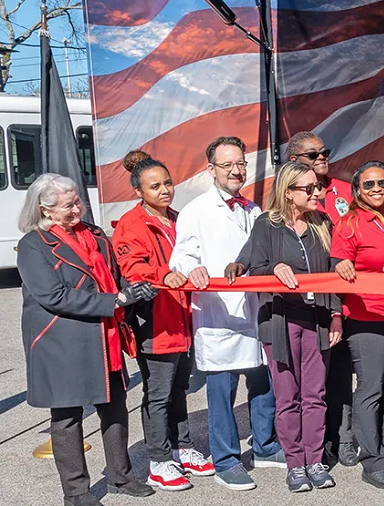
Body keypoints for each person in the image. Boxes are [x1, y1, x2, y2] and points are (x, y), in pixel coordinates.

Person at [17, 173, 158, 506]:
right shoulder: (32, 244)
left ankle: (120, 478)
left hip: (103, 335)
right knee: (67, 419)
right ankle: (77, 494)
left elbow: (116, 274)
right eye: (68, 205)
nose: (77, 209)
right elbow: (54, 296)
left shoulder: (94, 234)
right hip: (61, 343)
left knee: (115, 409)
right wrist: (116, 301)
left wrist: (137, 288)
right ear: (45, 209)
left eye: (77, 201)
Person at [169, 136, 285, 491]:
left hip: (256, 311)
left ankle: (265, 446)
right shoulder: (196, 211)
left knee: (263, 384)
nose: (236, 171)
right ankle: (226, 459)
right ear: (211, 170)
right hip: (219, 313)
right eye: (228, 165)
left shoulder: (253, 210)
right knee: (222, 390)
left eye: (241, 164)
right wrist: (193, 270)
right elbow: (182, 256)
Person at [234, 161, 342, 492]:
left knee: (316, 395)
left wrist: (336, 313)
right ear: (288, 192)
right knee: (287, 396)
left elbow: (336, 271)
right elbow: (253, 267)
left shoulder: (323, 223)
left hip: (317, 319)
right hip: (280, 321)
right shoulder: (267, 225)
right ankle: (295, 463)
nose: (317, 192)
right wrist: (275, 267)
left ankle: (315, 460)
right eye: (308, 188)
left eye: (317, 186)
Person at [113, 156, 214, 491]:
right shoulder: (132, 223)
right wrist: (165, 274)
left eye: (167, 183)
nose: (165, 190)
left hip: (184, 317)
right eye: (155, 186)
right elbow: (131, 267)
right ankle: (159, 458)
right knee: (158, 393)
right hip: (155, 319)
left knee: (180, 388)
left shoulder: (178, 219)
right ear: (139, 190)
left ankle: (183, 447)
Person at [331, 160, 384, 490]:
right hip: (367, 317)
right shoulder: (350, 222)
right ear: (357, 190)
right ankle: (373, 460)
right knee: (371, 390)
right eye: (369, 185)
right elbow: (339, 265)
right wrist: (342, 268)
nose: (377, 189)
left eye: (383, 182)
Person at [286, 131, 358, 468]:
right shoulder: (286, 198)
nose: (321, 157)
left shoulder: (344, 191)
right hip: (309, 307)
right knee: (310, 382)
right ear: (293, 161)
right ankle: (316, 445)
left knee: (342, 376)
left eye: (324, 152)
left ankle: (343, 438)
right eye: (312, 154)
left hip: (347, 300)